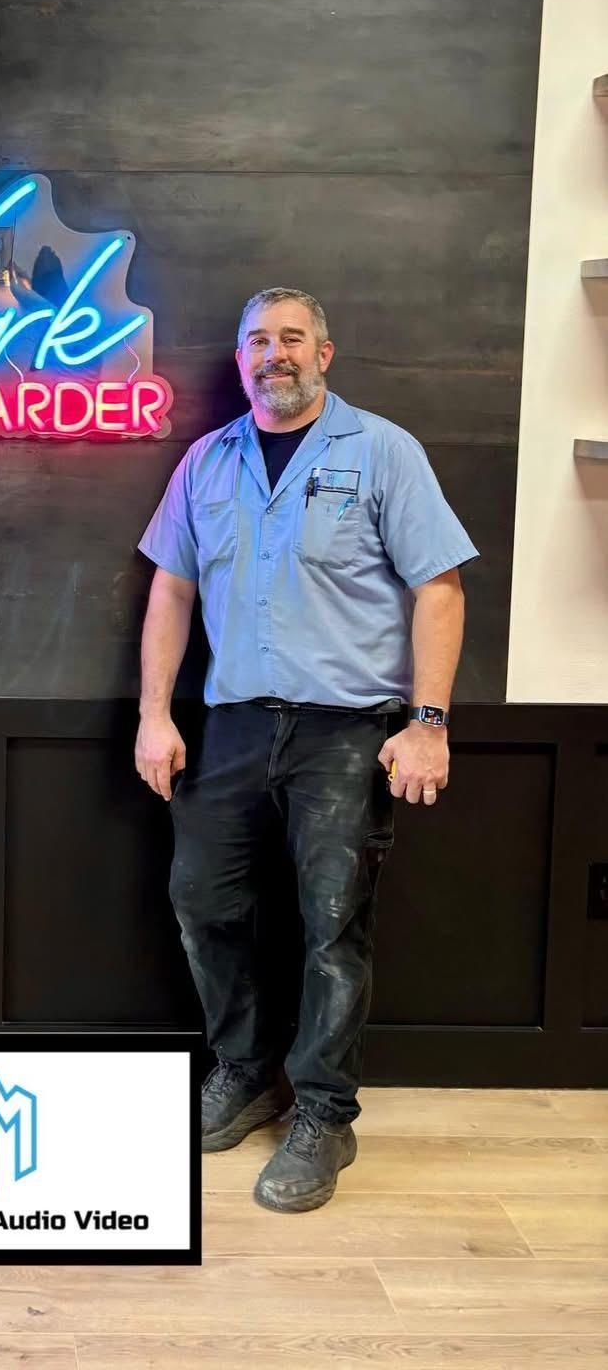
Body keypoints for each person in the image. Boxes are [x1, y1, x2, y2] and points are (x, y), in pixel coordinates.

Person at [134, 289, 475, 1213]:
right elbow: (171, 591)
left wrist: (429, 723)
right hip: (231, 726)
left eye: (291, 338)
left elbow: (438, 589)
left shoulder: (382, 452)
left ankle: (324, 1111)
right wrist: (154, 715)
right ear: (240, 359)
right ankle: (242, 1072)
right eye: (258, 341)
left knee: (332, 926)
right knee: (203, 905)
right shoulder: (206, 461)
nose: (273, 354)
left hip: (346, 730)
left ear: (326, 351)